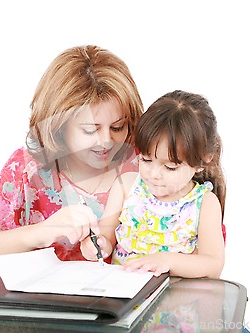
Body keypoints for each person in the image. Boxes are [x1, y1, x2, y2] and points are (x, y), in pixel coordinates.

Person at [0, 45, 144, 271]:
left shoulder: (147, 163)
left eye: (117, 126)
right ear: (59, 126)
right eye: (89, 130)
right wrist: (39, 233)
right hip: (41, 305)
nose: (107, 141)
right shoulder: (27, 168)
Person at [81, 90, 226, 278]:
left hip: (175, 301)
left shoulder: (204, 203)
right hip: (124, 296)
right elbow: (106, 240)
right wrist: (96, 245)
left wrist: (167, 260)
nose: (154, 174)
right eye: (146, 160)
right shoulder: (126, 187)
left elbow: (213, 264)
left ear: (202, 161)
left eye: (170, 167)